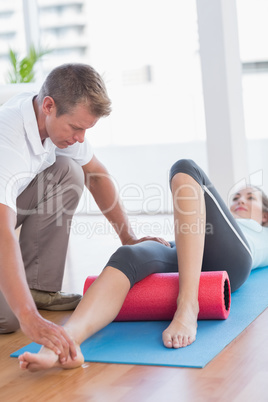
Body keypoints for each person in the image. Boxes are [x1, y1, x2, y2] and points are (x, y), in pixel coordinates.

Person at [18, 158, 268, 372]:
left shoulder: (260, 232)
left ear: (265, 215)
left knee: (184, 167)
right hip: (183, 248)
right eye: (235, 197)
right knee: (130, 254)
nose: (240, 201)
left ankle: (188, 305)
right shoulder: (215, 220)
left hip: (232, 259)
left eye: (250, 198)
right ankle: (63, 343)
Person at [0, 63, 169, 364]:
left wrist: (128, 238)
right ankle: (25, 305)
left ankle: (38, 288)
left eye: (86, 130)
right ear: (49, 106)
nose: (80, 138)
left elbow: (97, 175)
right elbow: (3, 233)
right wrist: (27, 316)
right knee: (11, 319)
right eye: (76, 128)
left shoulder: (51, 123)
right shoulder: (8, 138)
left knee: (69, 171)